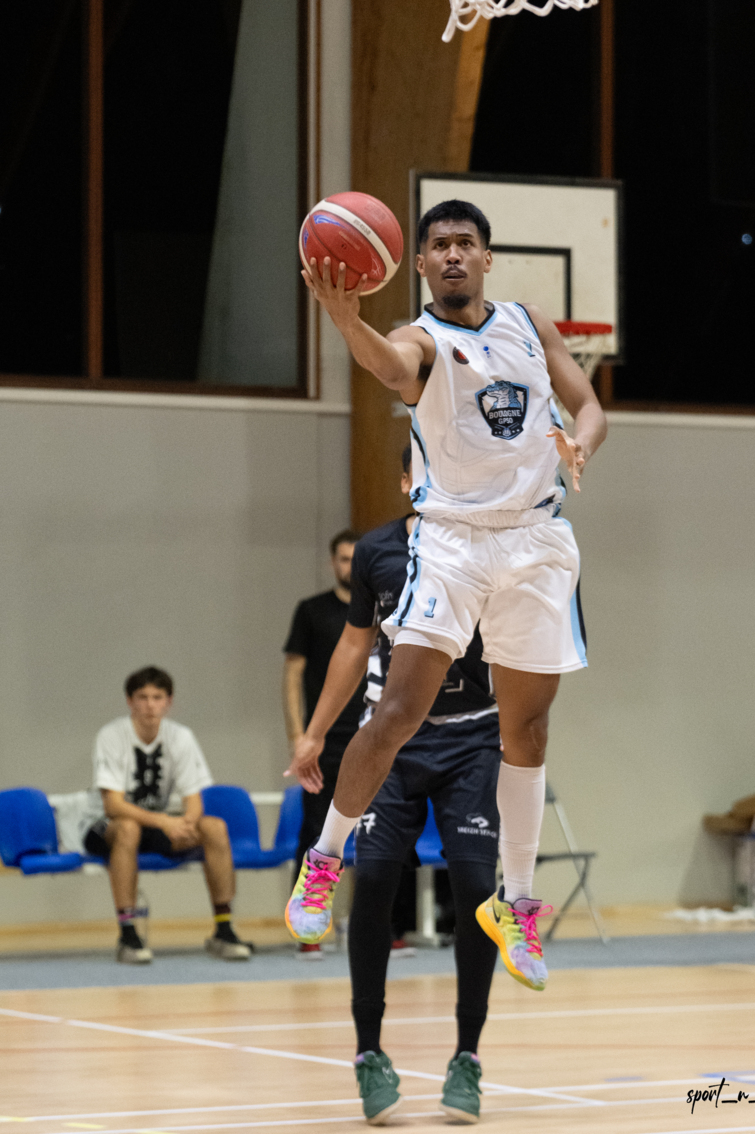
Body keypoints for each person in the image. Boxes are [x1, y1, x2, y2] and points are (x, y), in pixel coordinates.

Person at [287, 197, 606, 991]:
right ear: (420, 263)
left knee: (527, 730)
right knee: (397, 712)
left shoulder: (529, 323)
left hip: (535, 541)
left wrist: (581, 442)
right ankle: (324, 859)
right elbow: (389, 365)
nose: (454, 253)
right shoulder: (422, 338)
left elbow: (590, 404)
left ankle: (516, 901)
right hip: (453, 543)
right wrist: (346, 322)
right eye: (440, 244)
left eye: (466, 242)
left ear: (487, 258)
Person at [288, 445, 501, 1124]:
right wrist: (315, 732)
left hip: (472, 738)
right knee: (376, 880)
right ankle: (369, 1053)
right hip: (391, 740)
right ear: (408, 482)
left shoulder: (490, 544)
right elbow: (354, 646)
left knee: (476, 889)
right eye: (426, 474)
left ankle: (467, 1057)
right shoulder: (378, 551)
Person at [84, 665, 250, 964]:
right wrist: (164, 821)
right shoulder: (111, 735)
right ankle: (128, 934)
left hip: (157, 823)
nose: (150, 705)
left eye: (157, 697)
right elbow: (113, 806)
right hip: (106, 827)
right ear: (130, 701)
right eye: (143, 697)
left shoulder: (181, 737)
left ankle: (224, 929)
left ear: (169, 702)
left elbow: (194, 799)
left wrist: (186, 824)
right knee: (128, 829)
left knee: (214, 827)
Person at [282, 529, 363, 957]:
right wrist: (299, 736)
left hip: (373, 736)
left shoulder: (384, 609)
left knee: (384, 833)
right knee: (316, 830)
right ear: (333, 562)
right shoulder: (312, 611)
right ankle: (307, 928)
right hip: (325, 741)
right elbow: (292, 674)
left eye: (356, 558)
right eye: (343, 558)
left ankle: (385, 926)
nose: (350, 566)